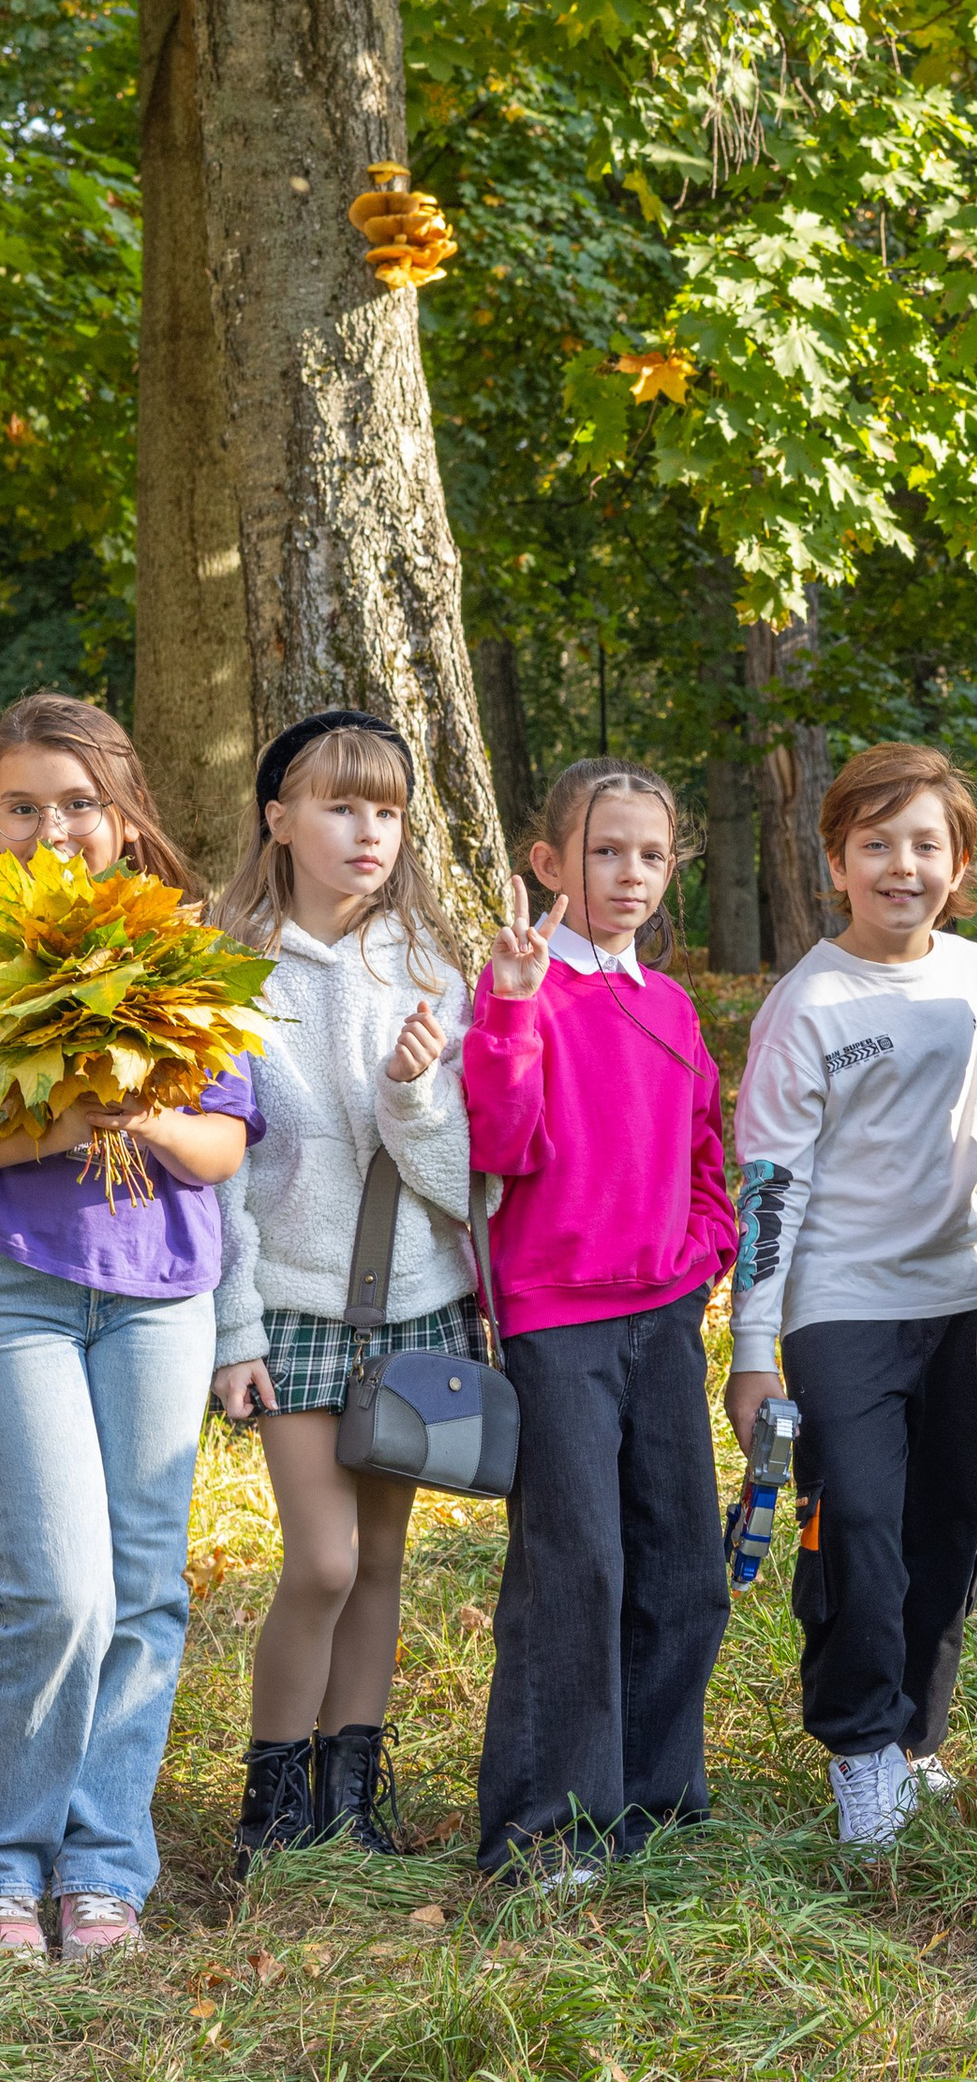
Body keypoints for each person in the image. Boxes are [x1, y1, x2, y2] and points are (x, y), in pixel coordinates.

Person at [0, 696, 259, 1962]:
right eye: (22, 804)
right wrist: (50, 1123)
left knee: (147, 1586)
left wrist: (126, 1106)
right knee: (57, 1586)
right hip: (21, 1292)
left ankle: (104, 1869)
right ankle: (8, 1860)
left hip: (158, 1293)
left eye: (78, 802)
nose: (54, 826)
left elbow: (219, 1143)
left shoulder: (186, 945)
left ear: (122, 811)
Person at [727, 744, 977, 1851]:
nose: (902, 865)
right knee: (859, 1528)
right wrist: (754, 1350)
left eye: (925, 844)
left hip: (958, 1302)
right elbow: (768, 1185)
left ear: (959, 861)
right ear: (836, 859)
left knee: (947, 1526)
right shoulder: (809, 1003)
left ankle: (914, 1741)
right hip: (838, 1302)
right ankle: (858, 1749)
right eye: (876, 844)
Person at [210, 708, 477, 1875]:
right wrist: (233, 1327)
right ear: (279, 819)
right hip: (294, 1302)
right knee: (318, 1559)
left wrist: (415, 1095)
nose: (369, 831)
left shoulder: (427, 969)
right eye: (339, 804)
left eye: (388, 810)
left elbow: (463, 1181)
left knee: (379, 1560)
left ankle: (349, 1795)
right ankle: (271, 1800)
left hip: (415, 1299)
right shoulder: (226, 968)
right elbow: (215, 1173)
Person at [462, 759, 737, 1884]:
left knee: (683, 1566)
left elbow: (709, 1152)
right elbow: (501, 1141)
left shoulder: (669, 1006)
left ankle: (654, 1800)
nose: (630, 874)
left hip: (663, 1313)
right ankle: (548, 1824)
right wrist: (515, 1009)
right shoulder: (523, 993)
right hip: (556, 1321)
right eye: (606, 850)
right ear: (549, 862)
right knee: (576, 1563)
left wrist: (703, 1251)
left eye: (652, 855)